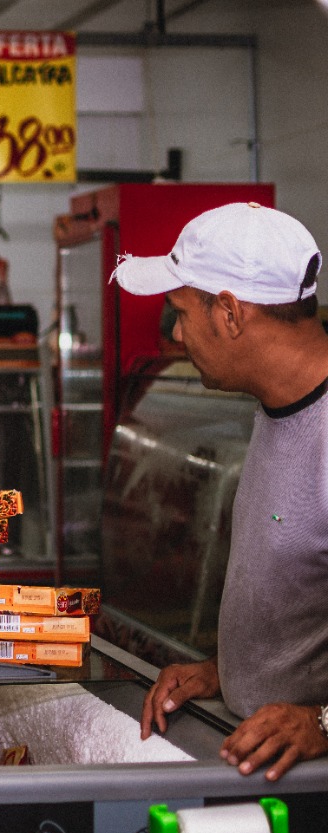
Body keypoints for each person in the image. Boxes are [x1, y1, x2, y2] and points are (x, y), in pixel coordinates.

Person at [115, 201, 328, 782]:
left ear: (230, 313)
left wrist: (322, 720)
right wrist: (225, 672)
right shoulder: (275, 410)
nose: (177, 334)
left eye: (181, 312)